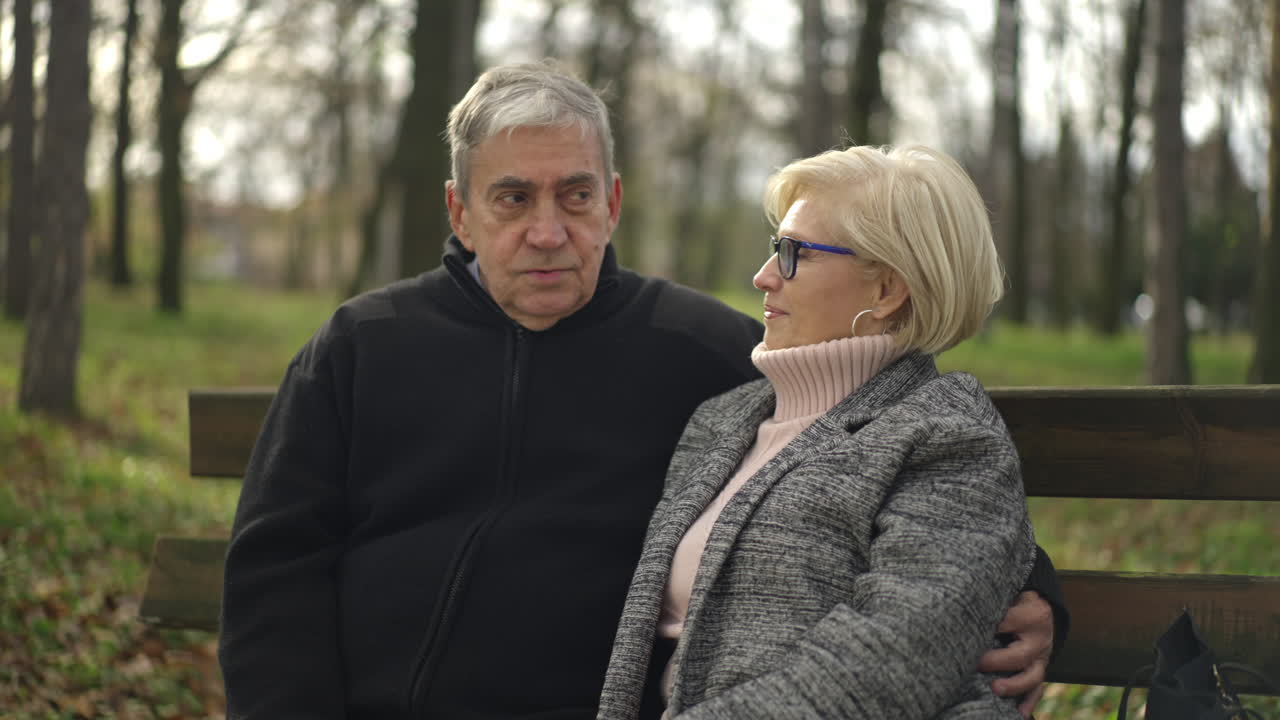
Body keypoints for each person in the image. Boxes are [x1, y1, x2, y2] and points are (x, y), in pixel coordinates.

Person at [218, 62, 1063, 719]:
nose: (548, 232)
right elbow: (276, 566)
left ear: (613, 201)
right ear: (461, 212)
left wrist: (1035, 590)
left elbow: (891, 440)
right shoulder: (364, 345)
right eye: (512, 199)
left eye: (575, 196)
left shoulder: (710, 355)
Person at [598, 145, 1048, 719]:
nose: (763, 277)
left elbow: (889, 662)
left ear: (887, 290)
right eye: (773, 249)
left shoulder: (947, 435)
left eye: (794, 255)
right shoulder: (724, 420)